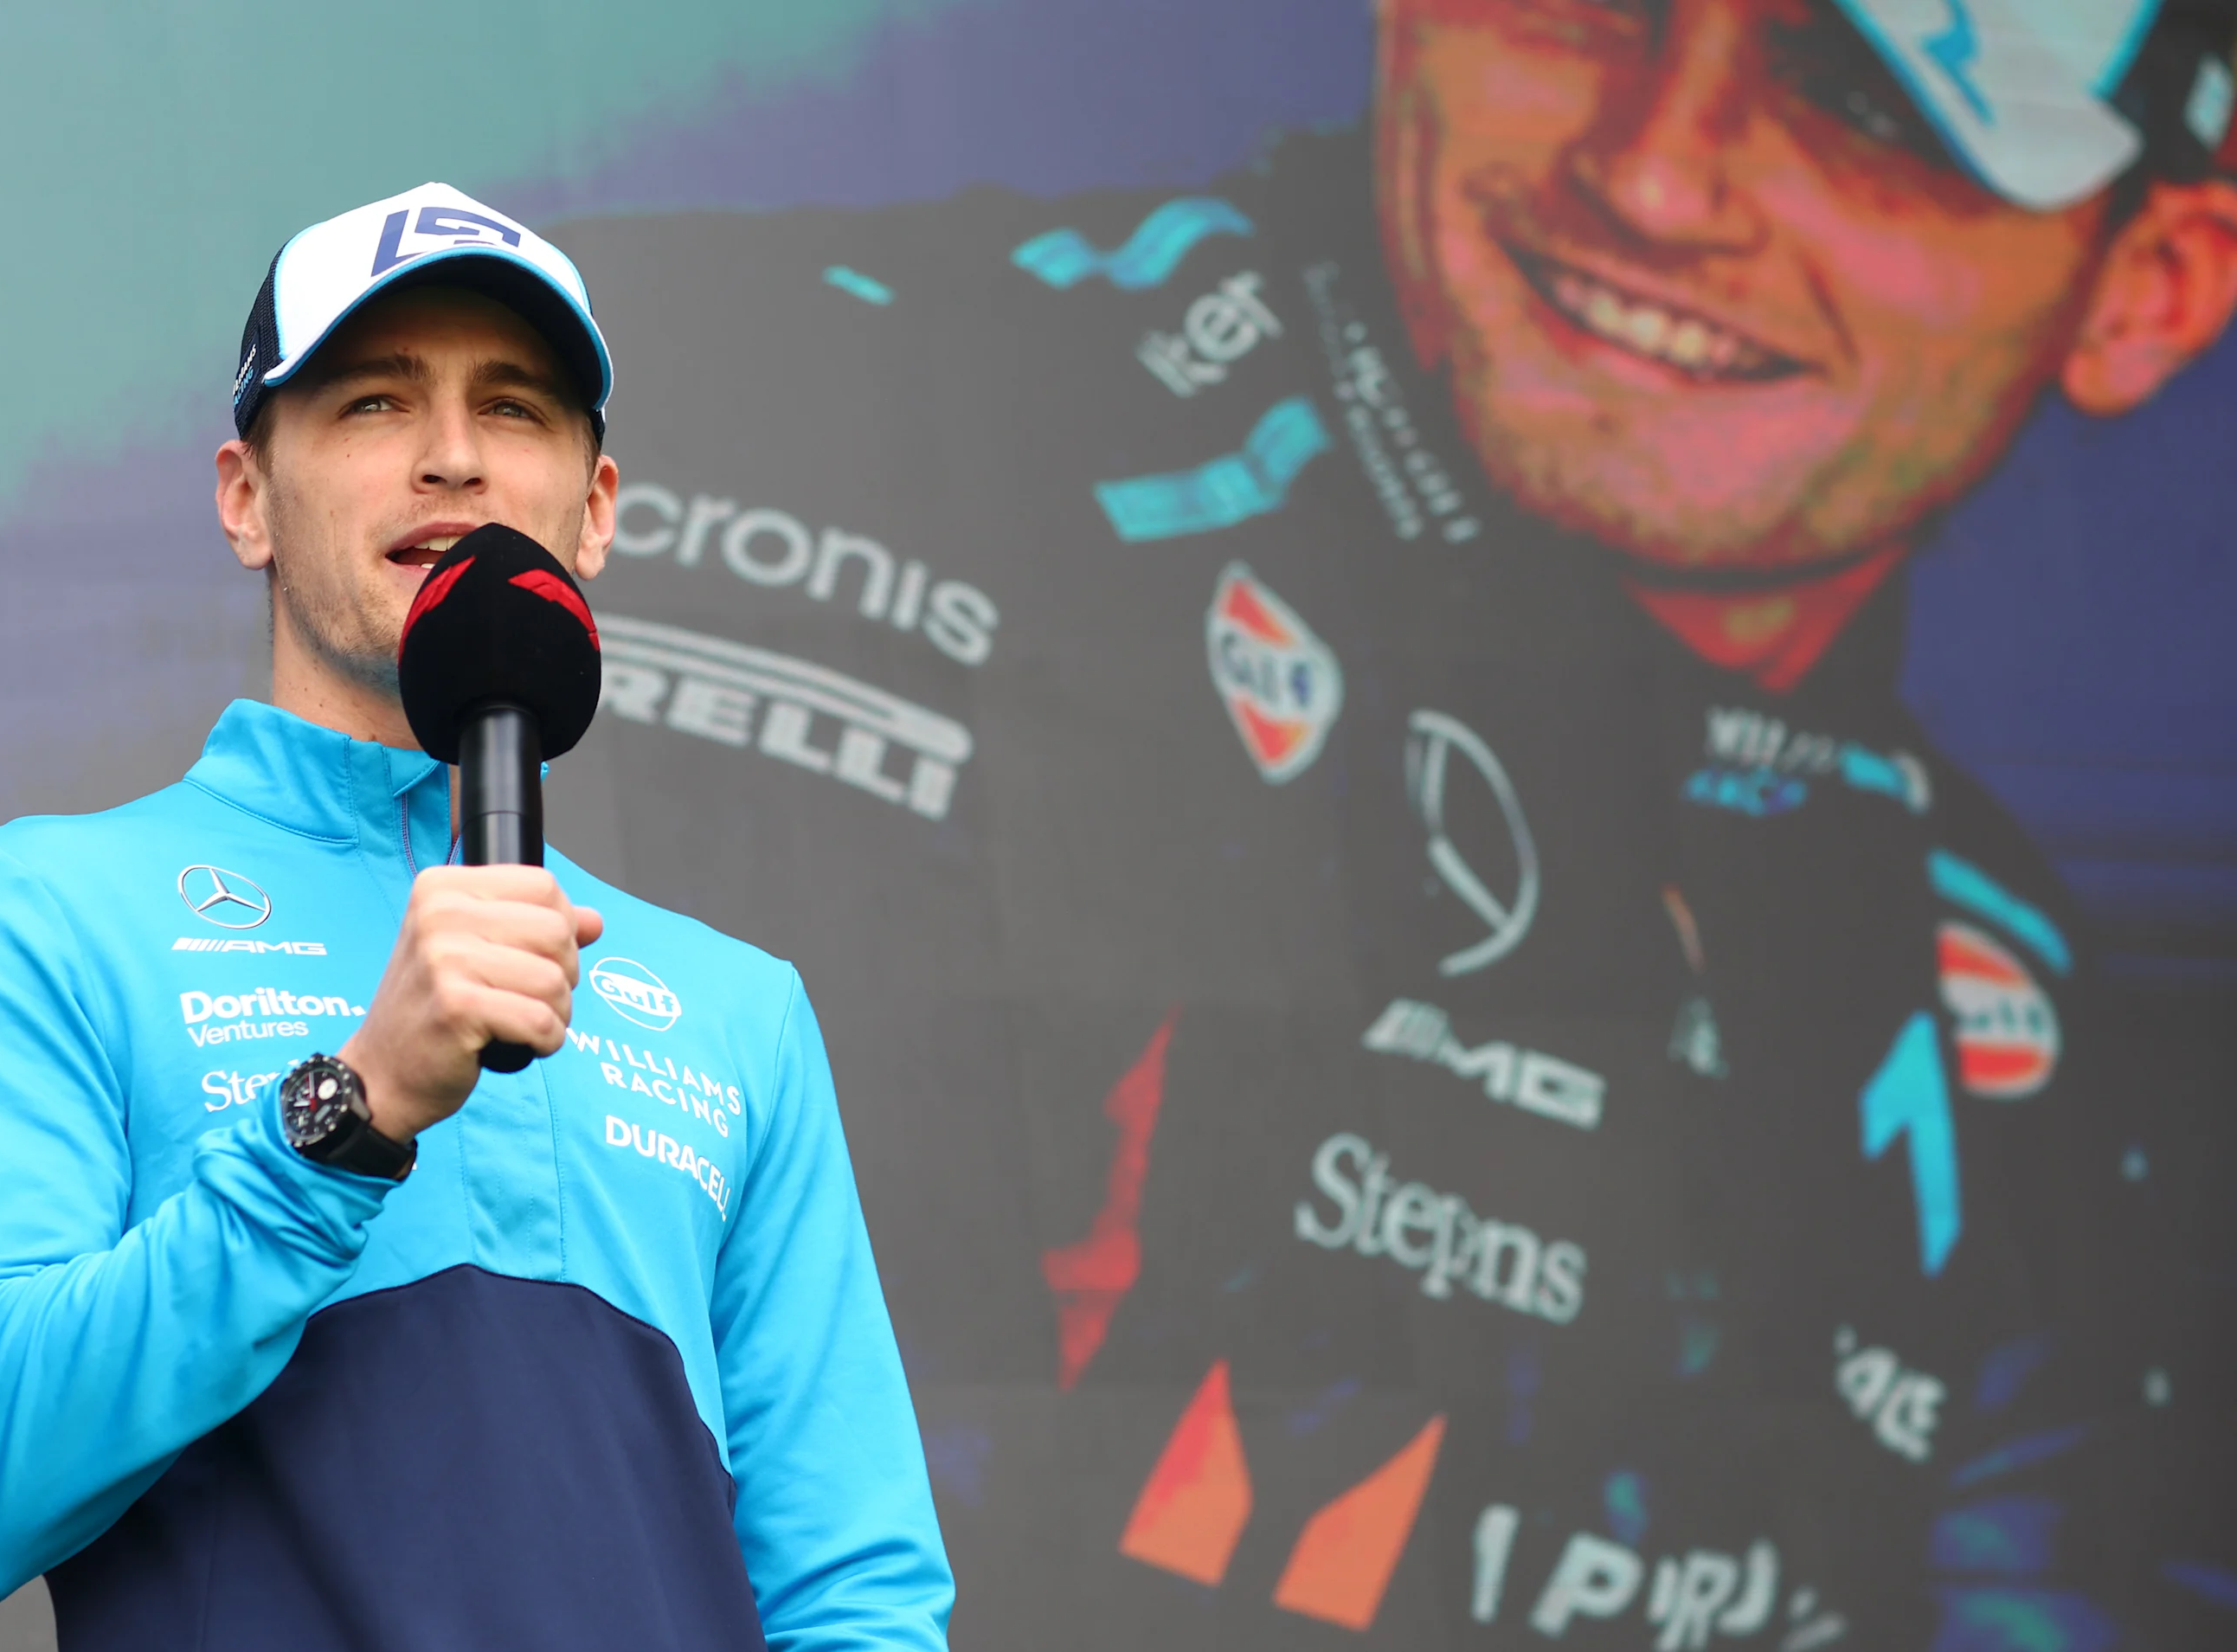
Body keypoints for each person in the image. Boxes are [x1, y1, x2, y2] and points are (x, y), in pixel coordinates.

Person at [540, 0, 2237, 1643]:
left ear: (2149, 285)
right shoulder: (718, 438)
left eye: (1868, 103)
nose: (1653, 176)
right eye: (1591, 3)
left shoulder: (2007, 1034)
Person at [0, 182, 955, 1651]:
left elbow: (856, 1596)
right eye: (374, 404)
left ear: (597, 507)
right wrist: (351, 1111)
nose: (452, 458)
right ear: (247, 496)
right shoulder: (33, 909)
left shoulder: (737, 1009)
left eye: (513, 408)